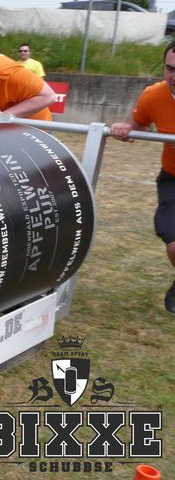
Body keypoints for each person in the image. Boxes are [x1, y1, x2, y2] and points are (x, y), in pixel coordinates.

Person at [110, 40, 175, 314]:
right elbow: (139, 124)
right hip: (173, 177)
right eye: (170, 69)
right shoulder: (153, 95)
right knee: (173, 242)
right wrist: (126, 129)